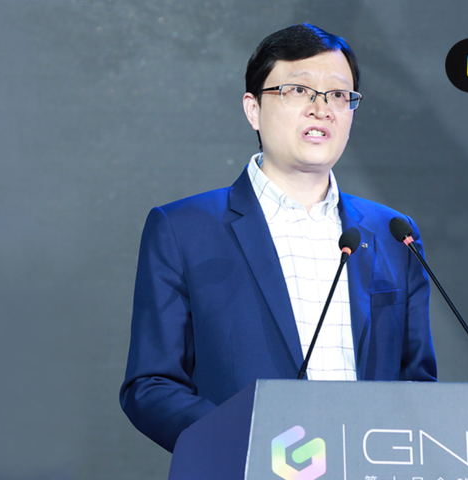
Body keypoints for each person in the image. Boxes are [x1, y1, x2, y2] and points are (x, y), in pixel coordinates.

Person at [120, 23, 436, 453]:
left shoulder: (394, 233)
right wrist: (251, 444)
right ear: (253, 109)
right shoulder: (183, 228)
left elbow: (418, 383)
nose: (321, 109)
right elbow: (151, 385)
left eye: (338, 95)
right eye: (299, 90)